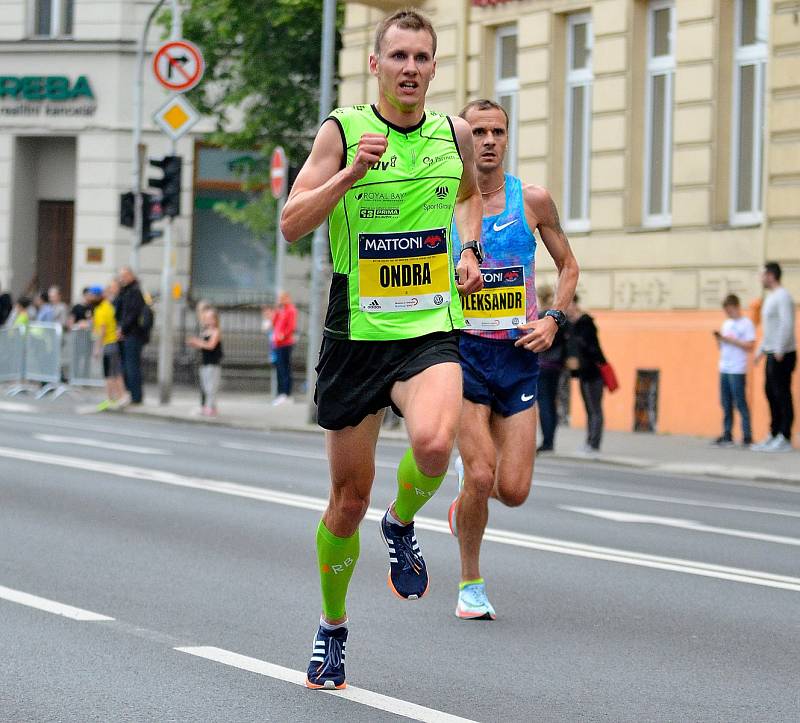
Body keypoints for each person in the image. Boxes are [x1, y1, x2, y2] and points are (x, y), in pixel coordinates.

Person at [279, 8, 483, 690]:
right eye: (398, 56)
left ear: (433, 66)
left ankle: (402, 522)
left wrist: (470, 249)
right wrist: (347, 179)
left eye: (422, 58)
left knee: (433, 443)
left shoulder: (452, 133)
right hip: (355, 334)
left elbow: (468, 199)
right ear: (376, 65)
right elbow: (290, 222)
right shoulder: (343, 130)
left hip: (428, 326)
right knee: (345, 498)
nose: (411, 69)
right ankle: (332, 625)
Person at [446, 99, 578, 620]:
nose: (488, 140)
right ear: (465, 138)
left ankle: (467, 504)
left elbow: (568, 266)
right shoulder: (444, 202)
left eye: (497, 131)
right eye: (477, 131)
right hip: (463, 353)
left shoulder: (533, 201)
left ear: (507, 137)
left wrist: (553, 320)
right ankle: (470, 584)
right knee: (479, 473)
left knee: (514, 490)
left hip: (518, 354)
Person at [751, 262, 796, 452]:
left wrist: (779, 349)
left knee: (782, 394)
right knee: (770, 393)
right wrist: (761, 350)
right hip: (771, 352)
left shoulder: (783, 296)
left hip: (783, 354)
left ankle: (784, 436)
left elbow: (787, 323)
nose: (760, 278)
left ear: (771, 275)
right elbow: (770, 329)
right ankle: (774, 432)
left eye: (762, 275)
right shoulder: (771, 297)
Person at [712, 294, 755, 447]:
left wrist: (732, 341)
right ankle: (727, 434)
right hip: (724, 367)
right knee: (726, 402)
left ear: (736, 307)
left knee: (740, 403)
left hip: (737, 369)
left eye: (729, 310)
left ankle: (747, 435)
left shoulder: (746, 324)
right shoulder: (726, 324)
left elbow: (750, 346)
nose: (728, 314)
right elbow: (722, 347)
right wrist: (720, 340)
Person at [566, 294, 606, 453]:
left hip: (593, 372)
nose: (566, 309)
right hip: (583, 373)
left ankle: (594, 443)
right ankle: (590, 441)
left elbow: (593, 348)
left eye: (568, 305)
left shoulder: (585, 322)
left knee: (595, 408)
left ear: (574, 304)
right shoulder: (572, 324)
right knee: (589, 409)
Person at [536, 284, 570, 453]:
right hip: (556, 365)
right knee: (551, 402)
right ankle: (550, 440)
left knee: (544, 403)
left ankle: (547, 442)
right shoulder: (558, 317)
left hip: (542, 364)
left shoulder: (540, 316)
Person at [93, 281, 128, 411]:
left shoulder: (101, 309)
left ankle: (112, 398)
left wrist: (97, 348)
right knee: (115, 372)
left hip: (108, 343)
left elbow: (102, 329)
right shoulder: (108, 306)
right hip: (113, 343)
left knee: (109, 373)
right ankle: (118, 397)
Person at [115, 266, 147, 405]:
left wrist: (122, 329)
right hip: (126, 334)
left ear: (131, 276)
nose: (122, 278)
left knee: (131, 366)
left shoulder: (135, 292)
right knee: (126, 366)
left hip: (133, 334)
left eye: (125, 275)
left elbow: (132, 314)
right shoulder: (124, 292)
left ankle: (136, 396)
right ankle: (130, 394)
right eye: (121, 276)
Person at [187, 307, 223, 417]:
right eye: (206, 318)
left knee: (211, 387)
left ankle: (210, 407)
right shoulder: (205, 332)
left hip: (213, 363)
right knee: (205, 386)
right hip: (204, 363)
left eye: (210, 318)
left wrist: (197, 342)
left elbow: (211, 345)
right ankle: (208, 406)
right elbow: (203, 345)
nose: (207, 320)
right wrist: (195, 343)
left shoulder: (216, 332)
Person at [271, 291, 297, 405]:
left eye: (282, 298)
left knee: (284, 368)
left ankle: (286, 393)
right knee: (279, 368)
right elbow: (274, 322)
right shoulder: (281, 310)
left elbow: (291, 327)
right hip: (277, 343)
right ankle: (281, 392)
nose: (280, 300)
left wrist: (282, 336)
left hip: (285, 343)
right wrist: (276, 310)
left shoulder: (290, 310)